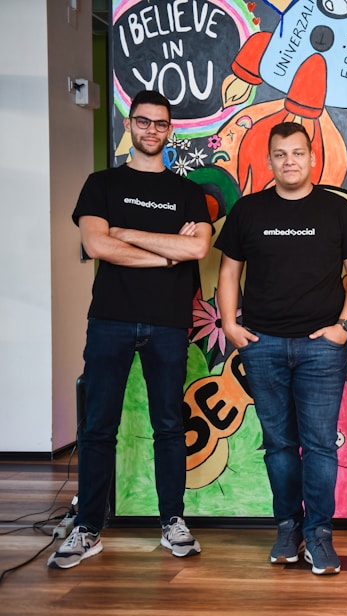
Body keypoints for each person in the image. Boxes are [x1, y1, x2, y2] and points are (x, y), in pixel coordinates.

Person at [49, 90, 212, 569]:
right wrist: (165, 253)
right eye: (143, 122)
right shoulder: (101, 184)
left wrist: (127, 233)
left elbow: (199, 249)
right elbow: (96, 244)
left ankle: (172, 521)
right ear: (130, 124)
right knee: (98, 427)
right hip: (110, 320)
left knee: (168, 425)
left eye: (160, 124)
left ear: (169, 130)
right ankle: (88, 528)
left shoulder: (187, 192)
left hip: (167, 322)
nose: (151, 131)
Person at [215, 122, 347, 575]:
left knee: (320, 446)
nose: (289, 162)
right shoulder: (248, 211)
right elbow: (228, 273)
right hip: (262, 344)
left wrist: (344, 326)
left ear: (311, 157)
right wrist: (229, 324)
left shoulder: (336, 209)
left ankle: (319, 534)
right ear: (269, 161)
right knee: (279, 444)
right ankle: (288, 528)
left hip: (323, 346)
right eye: (280, 154)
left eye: (297, 153)